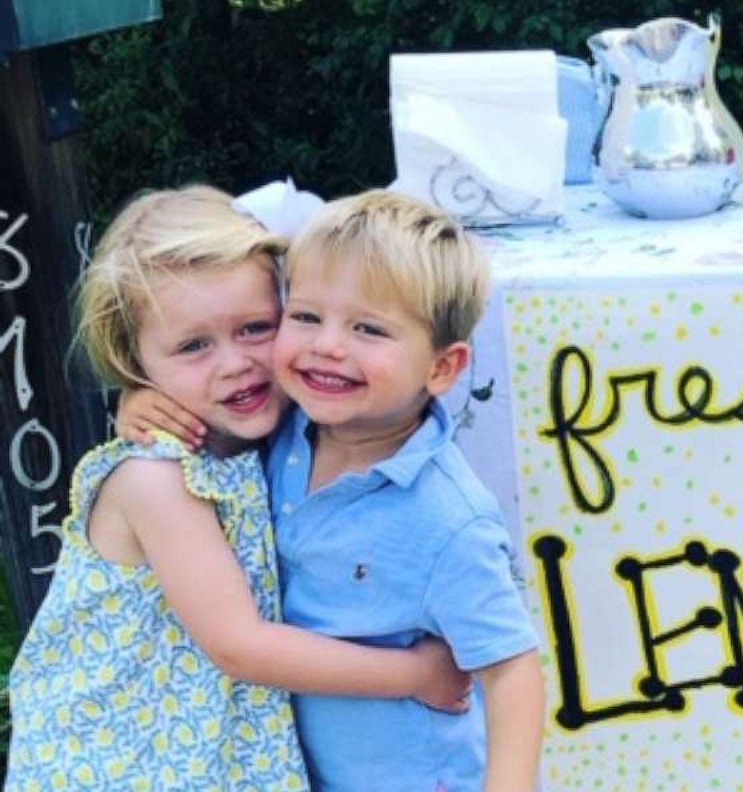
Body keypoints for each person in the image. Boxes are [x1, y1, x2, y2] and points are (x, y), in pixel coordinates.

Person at [5, 187, 471, 792]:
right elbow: (240, 646)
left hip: (203, 754)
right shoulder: (157, 480)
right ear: (136, 362)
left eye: (256, 328)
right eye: (193, 346)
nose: (235, 364)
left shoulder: (277, 435)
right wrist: (415, 674)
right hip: (116, 767)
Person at [262, 190, 544, 790]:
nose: (327, 345)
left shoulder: (447, 518)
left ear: (442, 368)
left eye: (368, 328)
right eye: (306, 316)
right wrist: (142, 398)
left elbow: (511, 669)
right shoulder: (279, 432)